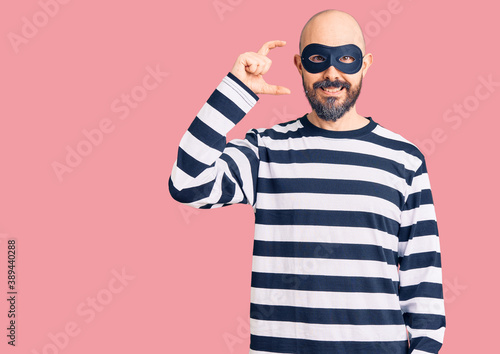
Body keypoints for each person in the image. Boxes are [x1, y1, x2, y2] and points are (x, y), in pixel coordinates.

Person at [169, 9, 445, 354]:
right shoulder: (266, 150)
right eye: (318, 59)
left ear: (366, 63)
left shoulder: (405, 159)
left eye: (346, 58)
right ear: (299, 65)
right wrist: (235, 91)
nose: (332, 73)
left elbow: (423, 278)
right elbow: (187, 183)